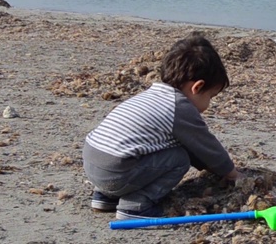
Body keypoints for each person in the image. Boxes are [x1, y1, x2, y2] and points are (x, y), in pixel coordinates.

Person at [82, 32, 241, 220]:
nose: (209, 104)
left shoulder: (151, 95)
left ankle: (106, 196)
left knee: (158, 148)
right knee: (179, 158)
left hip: (92, 163)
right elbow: (206, 147)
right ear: (197, 87)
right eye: (211, 97)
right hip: (116, 171)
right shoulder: (180, 107)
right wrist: (231, 173)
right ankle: (136, 206)